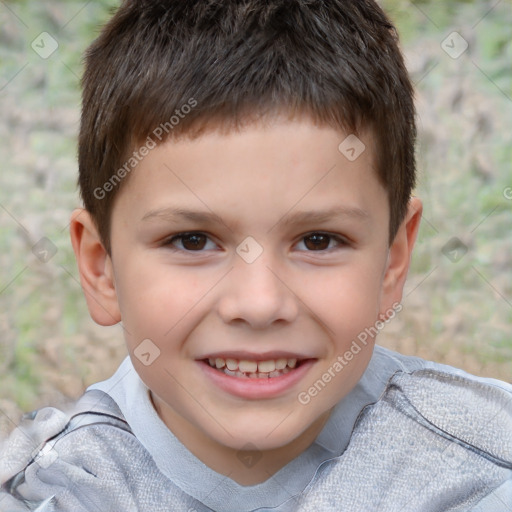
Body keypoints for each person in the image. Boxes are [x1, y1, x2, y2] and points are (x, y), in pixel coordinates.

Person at [1, 1, 511, 510]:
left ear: (393, 262)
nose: (260, 302)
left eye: (318, 240)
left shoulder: (485, 471)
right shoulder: (55, 490)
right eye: (192, 240)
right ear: (101, 268)